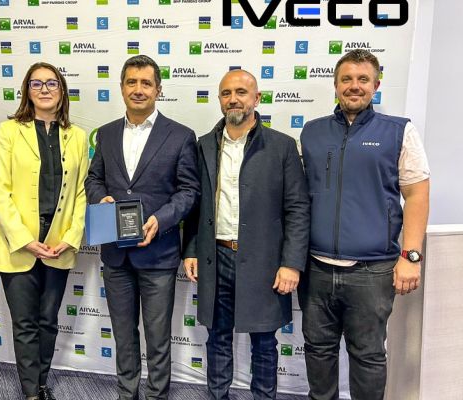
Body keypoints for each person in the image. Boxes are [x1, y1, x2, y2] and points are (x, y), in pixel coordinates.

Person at [299, 49, 430, 400]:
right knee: (317, 350)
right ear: (335, 85)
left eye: (362, 79)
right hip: (316, 269)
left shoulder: (399, 131)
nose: (354, 86)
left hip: (371, 271)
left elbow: (417, 194)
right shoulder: (312, 132)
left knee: (368, 355)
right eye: (346, 79)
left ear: (376, 85)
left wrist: (411, 255)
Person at [182, 69, 310, 399]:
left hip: (265, 261)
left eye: (241, 92)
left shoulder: (282, 146)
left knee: (264, 341)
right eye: (226, 93)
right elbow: (195, 205)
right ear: (219, 99)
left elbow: (297, 209)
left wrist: (291, 263)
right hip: (216, 257)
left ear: (257, 98)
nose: (233, 99)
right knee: (217, 337)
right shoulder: (204, 145)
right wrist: (191, 250)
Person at [84, 55, 199, 400]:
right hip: (115, 255)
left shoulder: (180, 135)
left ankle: (157, 395)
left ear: (158, 89)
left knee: (158, 337)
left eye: (146, 83)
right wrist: (100, 198)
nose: (138, 89)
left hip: (158, 253)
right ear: (121, 88)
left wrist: (160, 220)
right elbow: (93, 179)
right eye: (131, 82)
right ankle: (126, 393)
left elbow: (189, 191)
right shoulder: (105, 134)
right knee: (123, 335)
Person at [0, 62, 88, 400]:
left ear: (62, 90)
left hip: (58, 245)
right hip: (18, 245)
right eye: (36, 83)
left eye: (51, 83)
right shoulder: (9, 131)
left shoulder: (78, 136)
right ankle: (31, 392)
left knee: (48, 320)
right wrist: (24, 240)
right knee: (25, 323)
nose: (44, 89)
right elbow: (0, 190)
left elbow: (81, 193)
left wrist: (71, 238)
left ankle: (42, 383)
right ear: (27, 91)